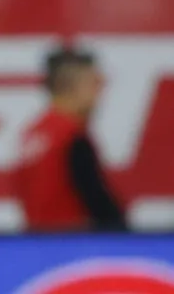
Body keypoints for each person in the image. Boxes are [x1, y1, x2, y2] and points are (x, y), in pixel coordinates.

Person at [14, 47, 126, 232]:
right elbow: (97, 200)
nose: (100, 95)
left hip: (38, 243)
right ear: (73, 86)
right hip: (74, 244)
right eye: (95, 84)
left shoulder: (32, 134)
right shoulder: (70, 137)